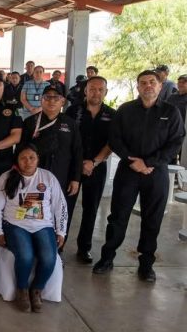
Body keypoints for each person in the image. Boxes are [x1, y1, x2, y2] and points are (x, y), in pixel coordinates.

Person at [93, 70, 184, 282]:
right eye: (143, 83)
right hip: (128, 171)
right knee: (118, 217)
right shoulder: (125, 110)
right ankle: (107, 258)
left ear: (160, 86)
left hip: (156, 172)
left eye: (152, 82)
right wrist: (132, 161)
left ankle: (146, 264)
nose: (148, 86)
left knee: (152, 219)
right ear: (138, 87)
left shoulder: (171, 112)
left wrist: (149, 163)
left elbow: (176, 142)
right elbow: (115, 138)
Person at [0, 144, 68, 313]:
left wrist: (61, 231)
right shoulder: (6, 177)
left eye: (32, 158)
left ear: (38, 159)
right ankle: (22, 290)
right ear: (17, 160)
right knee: (26, 256)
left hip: (43, 225)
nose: (28, 162)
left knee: (49, 257)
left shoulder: (48, 177)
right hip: (15, 225)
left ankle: (37, 289)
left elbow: (60, 206)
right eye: (23, 158)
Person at [21, 86, 81, 247]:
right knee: (34, 211)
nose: (51, 101)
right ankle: (34, 248)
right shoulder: (30, 122)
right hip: (36, 178)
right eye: (47, 97)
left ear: (63, 101)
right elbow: (21, 151)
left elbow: (77, 152)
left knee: (61, 211)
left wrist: (76, 178)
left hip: (63, 176)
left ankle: (58, 248)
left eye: (56, 98)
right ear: (41, 100)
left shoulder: (70, 123)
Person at [65, 76, 116, 263]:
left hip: (97, 167)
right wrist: (79, 163)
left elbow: (112, 142)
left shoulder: (112, 114)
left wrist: (93, 162)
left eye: (100, 89)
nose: (96, 92)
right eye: (92, 89)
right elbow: (67, 139)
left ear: (106, 92)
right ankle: (58, 246)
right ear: (85, 91)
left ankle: (84, 248)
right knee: (65, 207)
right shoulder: (72, 111)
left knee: (91, 208)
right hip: (72, 167)